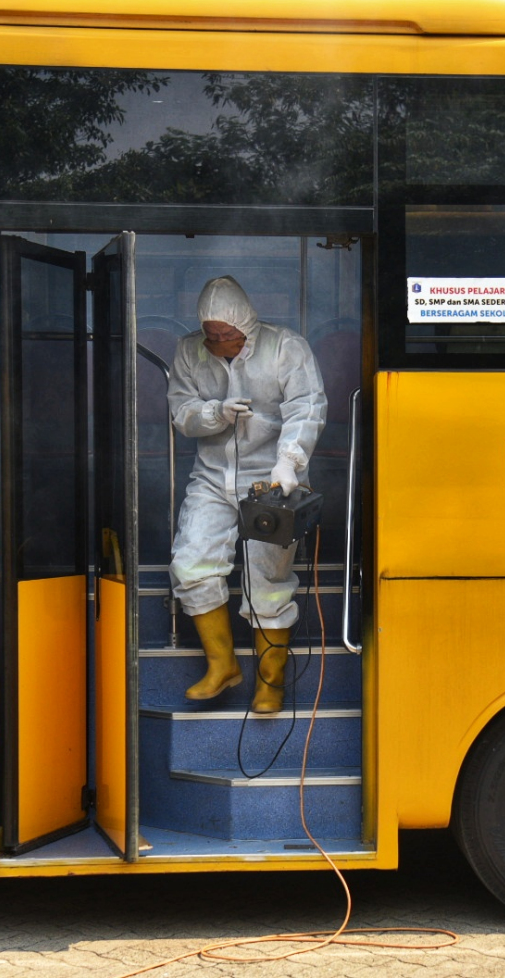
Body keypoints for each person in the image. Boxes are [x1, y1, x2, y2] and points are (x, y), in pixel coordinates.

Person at [167, 276, 327, 713]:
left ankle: (270, 684)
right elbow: (182, 414)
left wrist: (287, 462)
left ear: (247, 326)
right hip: (213, 476)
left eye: (229, 335)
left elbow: (308, 407)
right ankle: (223, 667)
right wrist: (213, 413)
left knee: (268, 581)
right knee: (190, 563)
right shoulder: (189, 351)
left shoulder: (285, 347)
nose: (220, 343)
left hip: (274, 480)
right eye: (212, 336)